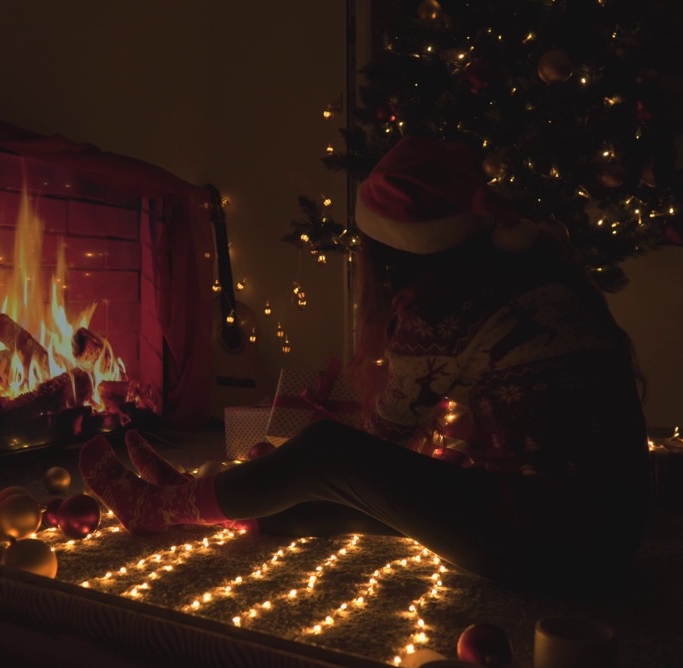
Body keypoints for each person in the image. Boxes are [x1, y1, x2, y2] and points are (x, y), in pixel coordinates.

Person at [80, 134, 652, 592]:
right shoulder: (533, 274)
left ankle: (161, 506)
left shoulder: (443, 307)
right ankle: (202, 503)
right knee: (357, 490)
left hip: (545, 545)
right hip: (612, 538)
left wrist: (300, 454)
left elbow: (384, 435)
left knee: (329, 451)